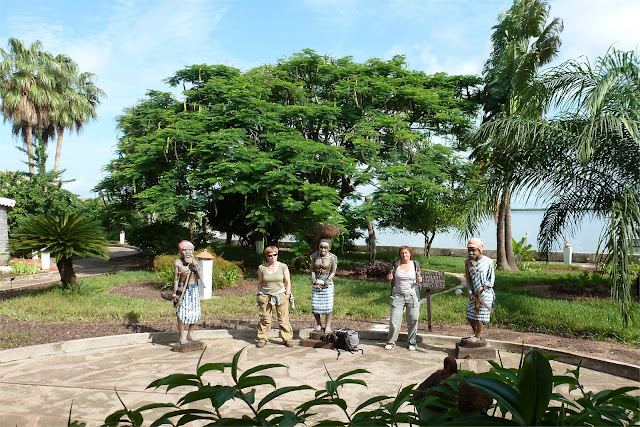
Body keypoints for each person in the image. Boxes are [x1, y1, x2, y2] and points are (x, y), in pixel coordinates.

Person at [385, 246, 422, 350]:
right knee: (394, 320)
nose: (404, 255)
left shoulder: (415, 265)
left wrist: (420, 279)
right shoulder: (395, 264)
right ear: (399, 254)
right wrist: (389, 277)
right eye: (402, 253)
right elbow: (389, 276)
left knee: (413, 319)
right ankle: (391, 342)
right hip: (397, 295)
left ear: (410, 254)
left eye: (406, 253)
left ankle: (412, 343)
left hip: (412, 295)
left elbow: (419, 277)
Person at [256, 246, 294, 348]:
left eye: (275, 255)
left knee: (283, 318)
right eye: (270, 255)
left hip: (280, 294)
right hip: (265, 295)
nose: (273, 257)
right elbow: (260, 282)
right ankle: (262, 338)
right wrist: (259, 293)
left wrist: (287, 294)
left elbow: (287, 282)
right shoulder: (262, 268)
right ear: (267, 256)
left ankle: (287, 338)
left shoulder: (283, 267)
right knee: (265, 318)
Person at [464, 238, 495, 342]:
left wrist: (482, 288)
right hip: (474, 293)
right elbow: (468, 279)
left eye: (473, 250)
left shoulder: (488, 261)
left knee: (480, 316)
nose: (471, 253)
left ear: (480, 250)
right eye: (469, 250)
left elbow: (491, 279)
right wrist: (469, 290)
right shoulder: (467, 262)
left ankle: (477, 336)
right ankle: (475, 333)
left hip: (485, 294)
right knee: (470, 315)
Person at [172, 240, 201, 345]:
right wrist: (175, 293)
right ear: (181, 251)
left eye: (190, 249)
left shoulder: (194, 261)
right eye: (185, 250)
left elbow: (199, 277)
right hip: (183, 290)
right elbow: (176, 279)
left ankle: (190, 333)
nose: (188, 252)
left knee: (196, 312)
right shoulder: (178, 263)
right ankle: (181, 336)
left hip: (193, 289)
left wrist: (195, 268)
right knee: (181, 313)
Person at [311, 239, 338, 333]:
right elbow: (312, 269)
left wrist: (328, 280)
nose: (323, 249)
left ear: (329, 248)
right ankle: (318, 324)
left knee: (328, 305)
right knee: (315, 304)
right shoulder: (315, 256)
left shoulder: (333, 258)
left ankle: (328, 325)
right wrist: (313, 279)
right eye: (321, 247)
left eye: (325, 248)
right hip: (317, 282)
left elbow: (333, 271)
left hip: (327, 283)